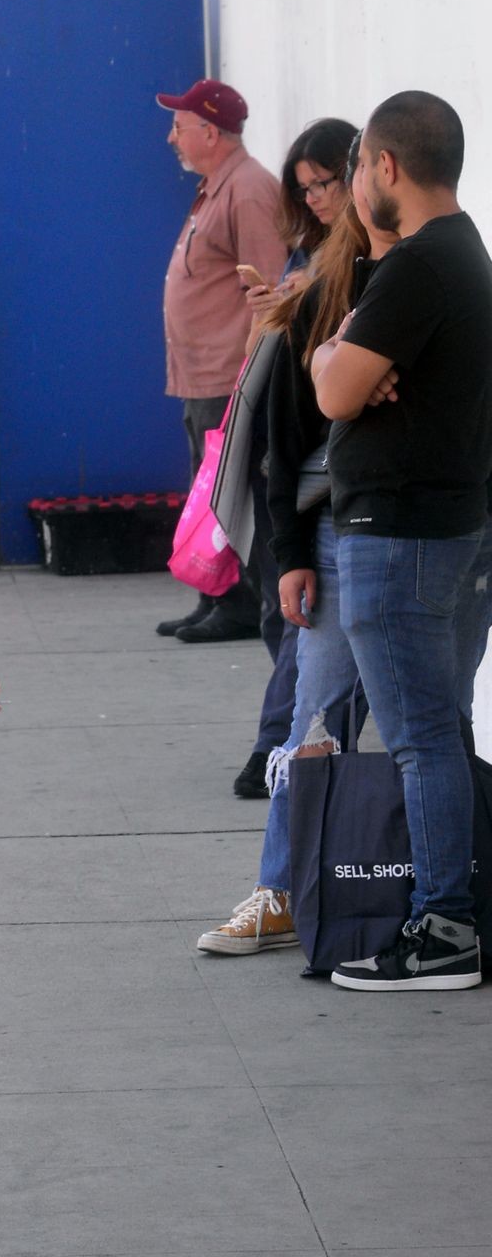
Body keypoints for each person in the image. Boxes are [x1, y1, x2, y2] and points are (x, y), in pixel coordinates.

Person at [310, 91, 492, 991]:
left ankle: (444, 927)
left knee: (420, 738)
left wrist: (337, 352)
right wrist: (347, 356)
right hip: (448, 531)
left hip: (401, 538)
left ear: (385, 166)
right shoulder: (463, 251)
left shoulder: (418, 266)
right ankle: (458, 910)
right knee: (440, 730)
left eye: (355, 168)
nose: (352, 187)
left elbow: (334, 391)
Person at [197, 180, 393, 958]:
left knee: (433, 730)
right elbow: (283, 444)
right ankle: (279, 887)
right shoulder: (319, 297)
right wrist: (293, 556)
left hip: (437, 539)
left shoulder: (442, 282)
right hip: (340, 538)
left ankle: (448, 891)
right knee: (316, 717)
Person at [230, 116, 360, 801]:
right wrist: (272, 310)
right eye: (303, 187)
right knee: (281, 609)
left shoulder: (362, 260)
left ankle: (274, 750)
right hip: (288, 459)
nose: (314, 198)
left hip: (330, 477)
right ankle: (287, 752)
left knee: (302, 619)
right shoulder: (309, 254)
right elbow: (267, 358)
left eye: (324, 183)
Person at [155, 78, 287, 645]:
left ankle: (244, 605)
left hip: (229, 373)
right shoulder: (218, 186)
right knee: (208, 493)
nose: (171, 138)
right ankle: (217, 596)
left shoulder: (249, 190)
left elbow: (269, 290)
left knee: (230, 494)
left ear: (211, 132)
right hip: (200, 375)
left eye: (179, 127)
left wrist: (252, 375)